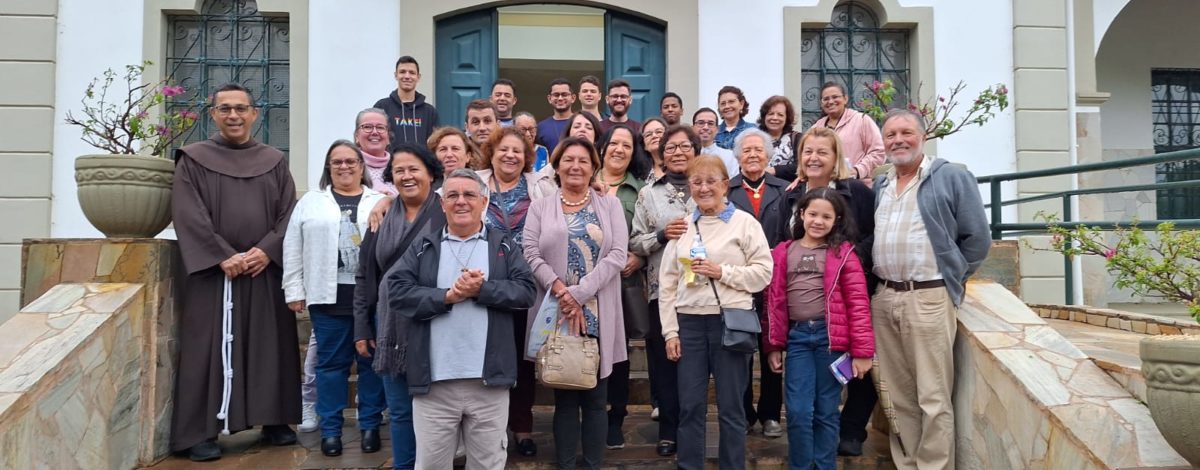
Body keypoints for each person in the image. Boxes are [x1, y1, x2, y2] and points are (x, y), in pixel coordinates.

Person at [170, 83, 300, 461]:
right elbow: (187, 212)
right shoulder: (193, 159)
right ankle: (200, 431)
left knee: (269, 344)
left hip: (263, 269)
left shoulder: (274, 160)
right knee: (207, 349)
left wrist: (267, 250)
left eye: (241, 109)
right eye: (225, 109)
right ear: (213, 114)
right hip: (215, 273)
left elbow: (288, 213)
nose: (234, 116)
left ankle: (273, 419)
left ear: (254, 114)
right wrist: (221, 254)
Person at [387, 169, 537, 468]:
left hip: (489, 382)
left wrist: (483, 289)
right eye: (452, 195)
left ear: (484, 201)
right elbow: (398, 293)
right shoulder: (424, 246)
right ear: (442, 204)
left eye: (469, 195)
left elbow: (526, 291)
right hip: (434, 384)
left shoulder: (503, 246)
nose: (461, 202)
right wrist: (447, 297)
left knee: (487, 464)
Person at [871, 109, 990, 469]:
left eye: (906, 132)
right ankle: (907, 463)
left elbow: (978, 240)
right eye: (890, 135)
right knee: (898, 395)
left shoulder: (951, 175)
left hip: (929, 297)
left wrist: (951, 275)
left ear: (923, 137)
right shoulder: (882, 183)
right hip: (886, 296)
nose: (898, 140)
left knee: (933, 396)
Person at [659, 155, 773, 470]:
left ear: (725, 185)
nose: (704, 188)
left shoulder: (745, 223)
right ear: (690, 187)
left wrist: (721, 271)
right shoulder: (683, 226)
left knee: (732, 408)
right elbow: (667, 284)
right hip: (690, 325)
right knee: (691, 406)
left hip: (730, 323)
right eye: (697, 182)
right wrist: (670, 331)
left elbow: (764, 273)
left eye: (712, 181)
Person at [523, 137, 628, 469]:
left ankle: (594, 463)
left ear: (594, 166)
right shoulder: (540, 207)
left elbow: (617, 255)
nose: (575, 166)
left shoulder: (609, 205)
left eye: (583, 160)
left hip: (598, 310)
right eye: (568, 159)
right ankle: (566, 464)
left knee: (597, 399)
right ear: (557, 165)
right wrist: (559, 290)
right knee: (565, 395)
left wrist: (580, 293)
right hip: (557, 312)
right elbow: (530, 253)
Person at [776, 126, 879, 456]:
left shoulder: (856, 193)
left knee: (833, 396)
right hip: (800, 318)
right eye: (807, 151)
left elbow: (875, 235)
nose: (814, 157)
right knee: (801, 407)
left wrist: (843, 259)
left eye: (822, 152)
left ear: (836, 158)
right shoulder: (791, 195)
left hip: (847, 296)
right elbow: (783, 245)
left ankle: (850, 433)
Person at [283, 140, 387, 457]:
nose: (344, 167)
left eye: (350, 161)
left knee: (371, 365)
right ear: (328, 168)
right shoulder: (311, 202)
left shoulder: (380, 200)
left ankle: (369, 425)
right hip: (328, 298)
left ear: (362, 166)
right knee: (330, 366)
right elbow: (292, 246)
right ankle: (331, 430)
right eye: (337, 162)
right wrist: (294, 289)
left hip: (371, 299)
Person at [765, 188, 875, 470]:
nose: (818, 221)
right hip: (799, 339)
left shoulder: (844, 254)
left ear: (836, 220)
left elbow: (859, 304)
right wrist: (773, 345)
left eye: (827, 216)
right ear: (801, 214)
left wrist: (862, 352)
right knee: (799, 411)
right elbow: (773, 302)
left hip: (831, 341)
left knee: (826, 411)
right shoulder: (783, 252)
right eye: (812, 213)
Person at [354, 143, 445, 469]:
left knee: (435, 410)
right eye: (400, 171)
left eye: (414, 169)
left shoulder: (447, 212)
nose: (407, 176)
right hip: (389, 326)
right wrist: (363, 326)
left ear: (431, 174)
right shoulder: (380, 218)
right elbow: (366, 276)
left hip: (436, 323)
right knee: (400, 410)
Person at [474, 126, 555, 456]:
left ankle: (522, 427)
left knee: (523, 361)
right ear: (491, 153)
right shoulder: (474, 183)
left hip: (527, 285)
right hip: (485, 285)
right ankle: (488, 431)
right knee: (486, 358)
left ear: (527, 158)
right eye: (503, 149)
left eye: (517, 151)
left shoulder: (540, 187)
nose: (510, 155)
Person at [629, 124, 702, 457]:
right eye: (670, 147)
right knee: (665, 365)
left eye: (685, 146)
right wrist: (661, 235)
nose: (677, 152)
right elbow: (634, 242)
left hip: (704, 293)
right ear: (661, 153)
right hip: (663, 292)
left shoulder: (710, 187)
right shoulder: (648, 194)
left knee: (697, 368)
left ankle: (693, 430)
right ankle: (669, 431)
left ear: (696, 151)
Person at [727, 129, 789, 439]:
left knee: (771, 349)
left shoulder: (784, 190)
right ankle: (744, 412)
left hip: (774, 283)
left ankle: (769, 414)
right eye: (746, 150)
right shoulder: (728, 191)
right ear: (737, 157)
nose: (753, 155)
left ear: (768, 156)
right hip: (738, 282)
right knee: (740, 350)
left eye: (758, 150)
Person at [593, 125, 650, 450]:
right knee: (587, 348)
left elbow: (648, 236)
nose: (618, 149)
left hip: (623, 284)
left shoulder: (640, 190)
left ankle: (616, 417)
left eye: (626, 145)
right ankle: (591, 412)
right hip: (586, 284)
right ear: (602, 147)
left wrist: (639, 261)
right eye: (613, 143)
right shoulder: (586, 182)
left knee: (618, 355)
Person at [811, 82, 884, 184]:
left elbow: (878, 152)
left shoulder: (861, 120)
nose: (831, 101)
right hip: (825, 188)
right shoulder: (816, 128)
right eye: (826, 99)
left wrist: (857, 171)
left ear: (845, 99)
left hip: (857, 185)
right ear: (821, 103)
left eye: (835, 97)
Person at [374, 56, 438, 149]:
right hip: (391, 163)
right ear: (396, 75)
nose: (407, 76)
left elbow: (436, 144)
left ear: (418, 77)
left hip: (422, 163)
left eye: (412, 73)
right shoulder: (382, 107)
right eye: (402, 72)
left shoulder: (430, 112)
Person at [756, 96, 801, 182]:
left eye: (780, 115)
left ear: (787, 118)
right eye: (770, 114)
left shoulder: (797, 138)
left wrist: (774, 170)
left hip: (789, 191)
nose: (775, 118)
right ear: (764, 116)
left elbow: (801, 166)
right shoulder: (755, 138)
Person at [355, 108, 399, 197]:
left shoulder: (401, 167)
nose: (375, 132)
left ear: (388, 137)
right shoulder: (348, 167)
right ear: (356, 136)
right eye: (367, 127)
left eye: (380, 127)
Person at [693, 108, 739, 177]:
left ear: (717, 129)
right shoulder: (686, 155)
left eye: (710, 123)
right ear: (693, 127)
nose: (705, 127)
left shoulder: (729, 156)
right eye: (701, 123)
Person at [537, 78, 576, 153]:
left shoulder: (582, 123)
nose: (560, 98)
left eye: (564, 94)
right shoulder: (541, 127)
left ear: (573, 98)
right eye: (556, 95)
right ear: (549, 98)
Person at [714, 85, 753, 149]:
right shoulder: (713, 132)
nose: (727, 106)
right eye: (723, 103)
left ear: (741, 104)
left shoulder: (752, 130)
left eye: (731, 102)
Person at [640, 117, 668, 182]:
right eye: (648, 134)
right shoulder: (641, 176)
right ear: (644, 145)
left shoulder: (679, 166)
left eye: (659, 132)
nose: (654, 136)